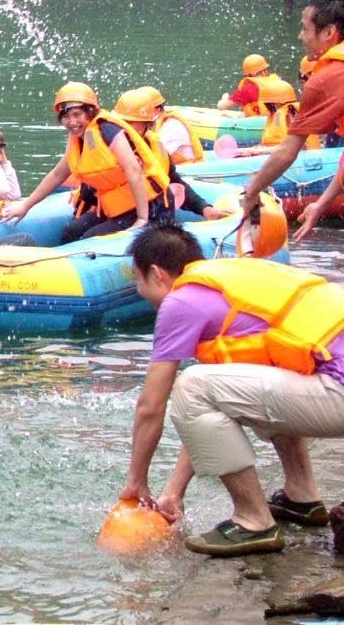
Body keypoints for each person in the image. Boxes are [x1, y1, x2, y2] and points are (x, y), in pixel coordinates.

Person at [119, 224, 344, 558]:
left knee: (192, 384)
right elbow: (215, 413)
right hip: (331, 385)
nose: (140, 292)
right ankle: (302, 497)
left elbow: (152, 405)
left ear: (156, 274)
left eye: (137, 280)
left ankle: (253, 519)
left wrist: (136, 482)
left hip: (337, 392)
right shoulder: (234, 280)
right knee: (243, 382)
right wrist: (174, 492)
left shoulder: (180, 301)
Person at [1, 83, 171, 243]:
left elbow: (133, 170)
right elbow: (57, 175)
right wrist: (25, 205)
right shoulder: (79, 138)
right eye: (66, 117)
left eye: (77, 115)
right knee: (72, 231)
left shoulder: (108, 130)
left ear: (90, 112)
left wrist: (142, 218)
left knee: (90, 238)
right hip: (117, 207)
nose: (72, 122)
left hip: (152, 206)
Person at [239, 0, 344, 221]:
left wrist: (251, 192)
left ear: (329, 32)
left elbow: (288, 152)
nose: (300, 36)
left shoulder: (326, 78)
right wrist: (321, 205)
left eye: (305, 29)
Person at [113, 88, 225, 220]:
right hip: (118, 213)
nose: (122, 127)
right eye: (121, 122)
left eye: (129, 122)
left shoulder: (157, 144)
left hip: (148, 217)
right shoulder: (111, 146)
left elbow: (174, 180)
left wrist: (204, 208)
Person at [140, 87, 204, 164]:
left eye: (142, 111)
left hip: (188, 169)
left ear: (157, 109)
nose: (139, 115)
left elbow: (157, 157)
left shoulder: (171, 127)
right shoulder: (156, 124)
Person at [217, 54, 292, 117]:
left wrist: (224, 98)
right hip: (281, 120)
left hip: (263, 124)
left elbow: (221, 106)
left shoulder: (250, 89)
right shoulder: (277, 81)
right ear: (265, 70)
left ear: (251, 74)